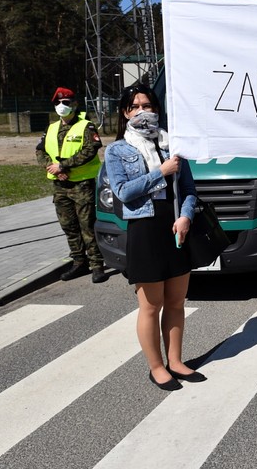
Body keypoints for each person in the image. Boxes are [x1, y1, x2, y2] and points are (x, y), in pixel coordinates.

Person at [104, 84, 206, 391]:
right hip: (144, 228)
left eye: (147, 106)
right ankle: (157, 366)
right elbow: (123, 192)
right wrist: (160, 172)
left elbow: (188, 190)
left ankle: (175, 360)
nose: (142, 112)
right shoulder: (117, 150)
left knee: (176, 301)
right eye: (134, 107)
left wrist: (186, 216)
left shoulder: (172, 145)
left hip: (174, 226)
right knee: (151, 305)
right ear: (125, 113)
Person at [36, 87, 107, 283]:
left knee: (87, 225)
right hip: (60, 185)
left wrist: (63, 166)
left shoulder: (86, 126)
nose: (62, 106)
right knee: (68, 225)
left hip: (82, 184)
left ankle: (97, 265)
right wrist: (52, 168)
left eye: (66, 103)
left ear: (74, 104)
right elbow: (40, 151)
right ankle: (78, 262)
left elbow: (90, 150)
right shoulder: (50, 128)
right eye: (58, 103)